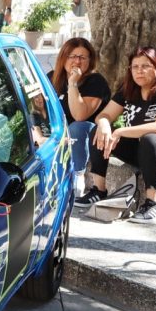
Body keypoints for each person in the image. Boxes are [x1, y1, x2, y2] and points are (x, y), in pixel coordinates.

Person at [75, 46, 156, 223]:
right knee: (98, 131)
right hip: (143, 151)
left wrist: (119, 131)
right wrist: (104, 123)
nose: (139, 71)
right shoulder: (129, 88)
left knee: (151, 138)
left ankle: (154, 204)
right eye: (135, 67)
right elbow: (104, 115)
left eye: (145, 66)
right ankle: (98, 190)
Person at [47, 38, 111, 194]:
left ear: (90, 61)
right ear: (63, 57)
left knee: (77, 127)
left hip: (83, 135)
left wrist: (73, 84)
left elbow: (80, 115)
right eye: (72, 56)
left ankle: (77, 175)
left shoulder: (95, 81)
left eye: (82, 57)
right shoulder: (52, 77)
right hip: (58, 133)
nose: (77, 61)